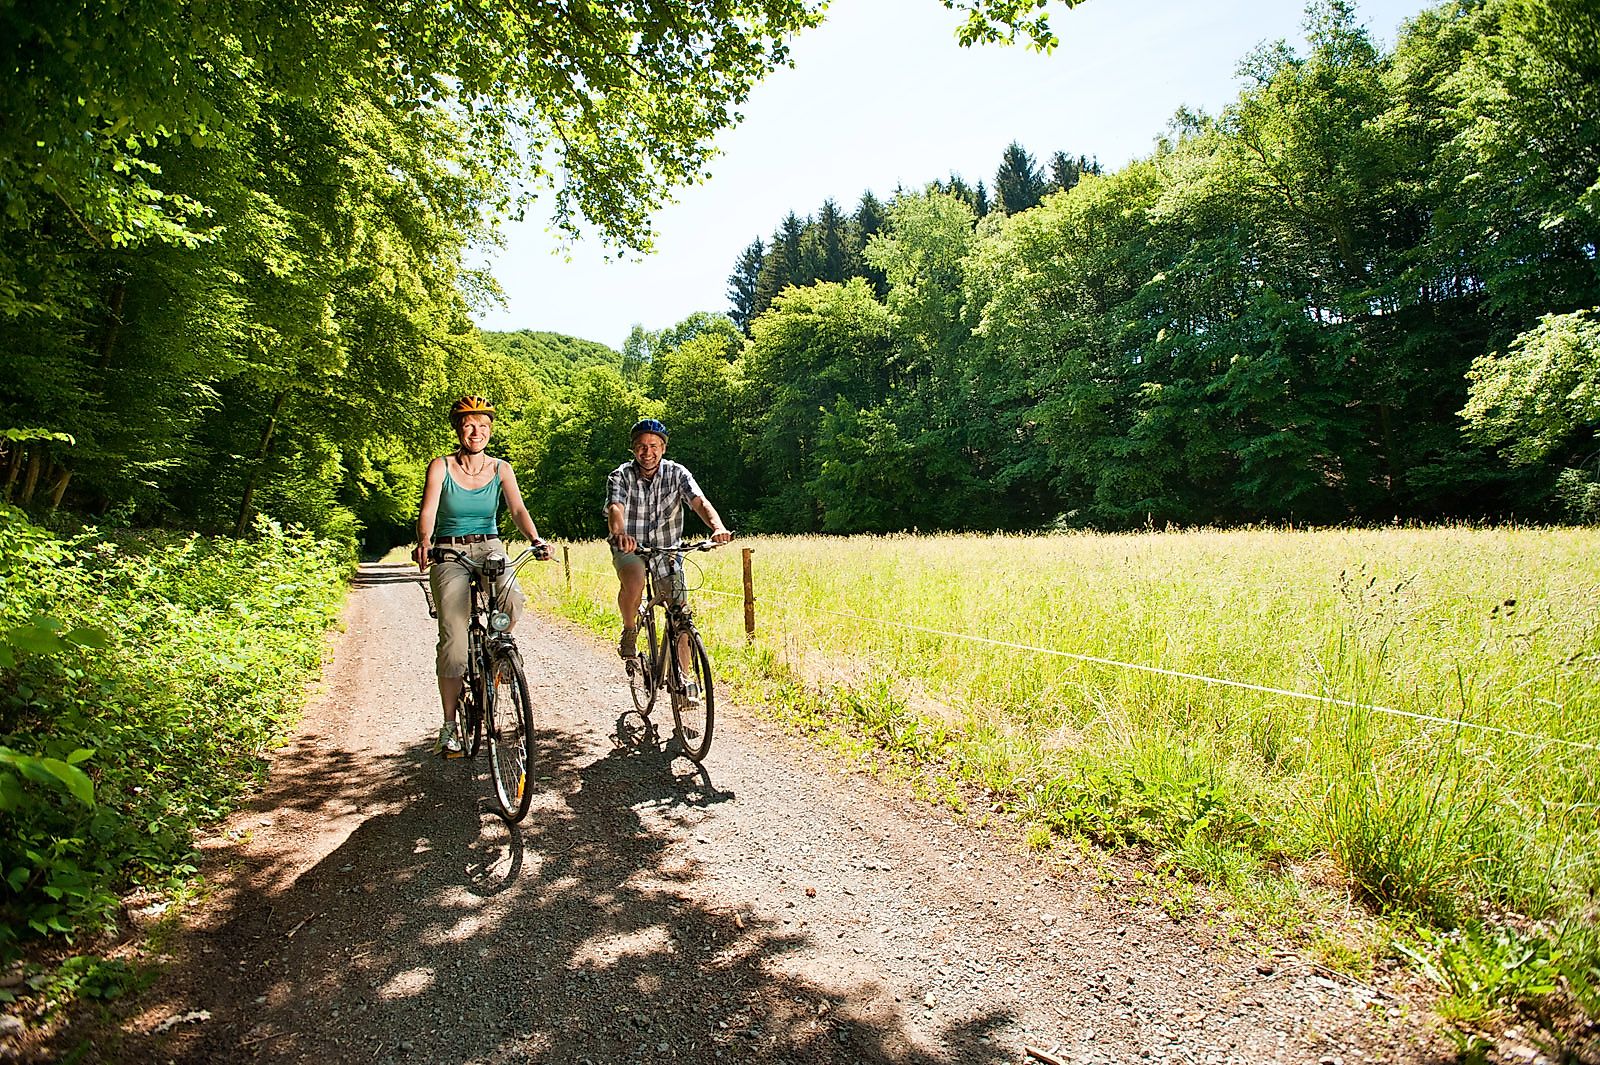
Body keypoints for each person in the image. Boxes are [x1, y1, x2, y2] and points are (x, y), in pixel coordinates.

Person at [415, 395, 550, 754]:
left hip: (490, 545)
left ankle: (496, 655)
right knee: (455, 642)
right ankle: (448, 727)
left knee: (511, 597)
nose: (477, 432)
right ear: (459, 429)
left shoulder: (501, 468)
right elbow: (428, 510)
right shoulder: (440, 466)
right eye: (470, 425)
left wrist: (535, 539)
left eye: (484, 426)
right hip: (449, 550)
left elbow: (517, 509)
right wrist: (425, 541)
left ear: (490, 430)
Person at [605, 418, 732, 668]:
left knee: (680, 612)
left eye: (654, 446)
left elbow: (699, 502)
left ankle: (684, 682)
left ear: (663, 448)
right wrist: (620, 533)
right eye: (641, 446)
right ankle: (630, 630)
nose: (647, 452)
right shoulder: (620, 476)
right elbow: (614, 507)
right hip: (632, 547)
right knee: (635, 579)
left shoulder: (677, 473)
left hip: (668, 549)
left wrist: (718, 527)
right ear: (633, 449)